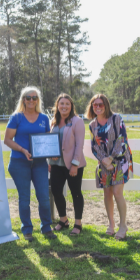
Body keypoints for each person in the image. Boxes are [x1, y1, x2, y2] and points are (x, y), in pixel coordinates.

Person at [4, 86, 56, 242]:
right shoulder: (17, 117)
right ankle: (27, 229)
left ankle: (46, 227)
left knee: (44, 197)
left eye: (34, 98)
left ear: (38, 100)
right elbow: (7, 140)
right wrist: (22, 150)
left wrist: (50, 156)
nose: (31, 100)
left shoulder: (44, 118)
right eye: (28, 97)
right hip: (20, 163)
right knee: (24, 198)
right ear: (23, 100)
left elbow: (47, 142)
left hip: (39, 164)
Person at [86, 94, 132, 241]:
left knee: (118, 192)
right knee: (107, 194)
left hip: (119, 159)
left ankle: (123, 225)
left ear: (106, 105)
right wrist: (104, 160)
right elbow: (94, 145)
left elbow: (122, 139)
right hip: (104, 162)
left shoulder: (116, 118)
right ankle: (111, 224)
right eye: (95, 105)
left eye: (100, 104)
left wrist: (111, 158)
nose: (98, 107)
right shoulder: (92, 124)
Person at [48, 94, 87, 235]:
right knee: (56, 191)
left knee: (75, 193)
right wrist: (49, 161)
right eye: (61, 103)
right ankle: (63, 220)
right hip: (56, 164)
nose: (64, 106)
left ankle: (78, 224)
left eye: (67, 104)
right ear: (57, 106)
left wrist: (75, 164)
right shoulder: (53, 122)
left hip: (72, 164)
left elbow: (79, 144)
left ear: (71, 106)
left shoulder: (77, 121)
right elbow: (49, 143)